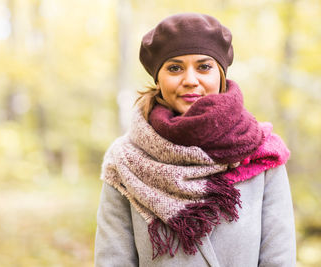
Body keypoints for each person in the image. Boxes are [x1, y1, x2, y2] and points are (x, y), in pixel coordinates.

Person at [95, 13, 296, 267]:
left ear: (221, 75)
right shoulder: (124, 160)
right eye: (175, 68)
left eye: (204, 67)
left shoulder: (262, 153)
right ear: (158, 79)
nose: (190, 80)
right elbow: (113, 260)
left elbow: (279, 259)